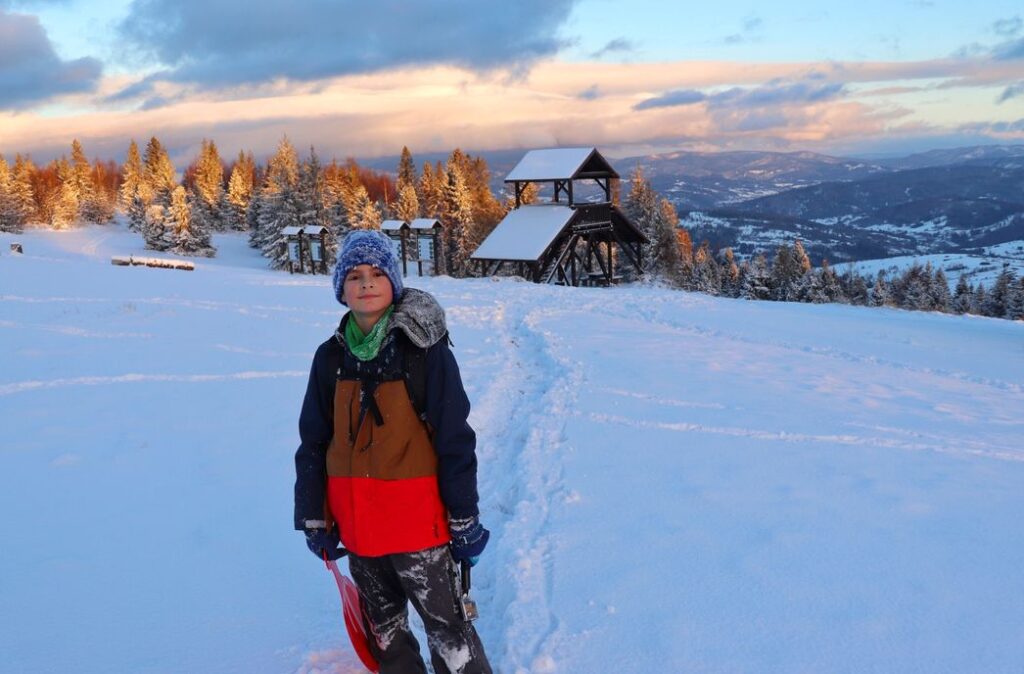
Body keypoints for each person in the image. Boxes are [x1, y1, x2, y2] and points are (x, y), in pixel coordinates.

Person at [294, 229, 492, 674]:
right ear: (341, 289)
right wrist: (313, 516)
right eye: (355, 275)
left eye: (378, 272)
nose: (366, 282)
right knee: (387, 637)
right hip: (360, 532)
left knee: (450, 635)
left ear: (395, 283)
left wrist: (464, 518)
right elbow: (313, 443)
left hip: (419, 529)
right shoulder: (330, 358)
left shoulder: (423, 351)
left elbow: (455, 438)